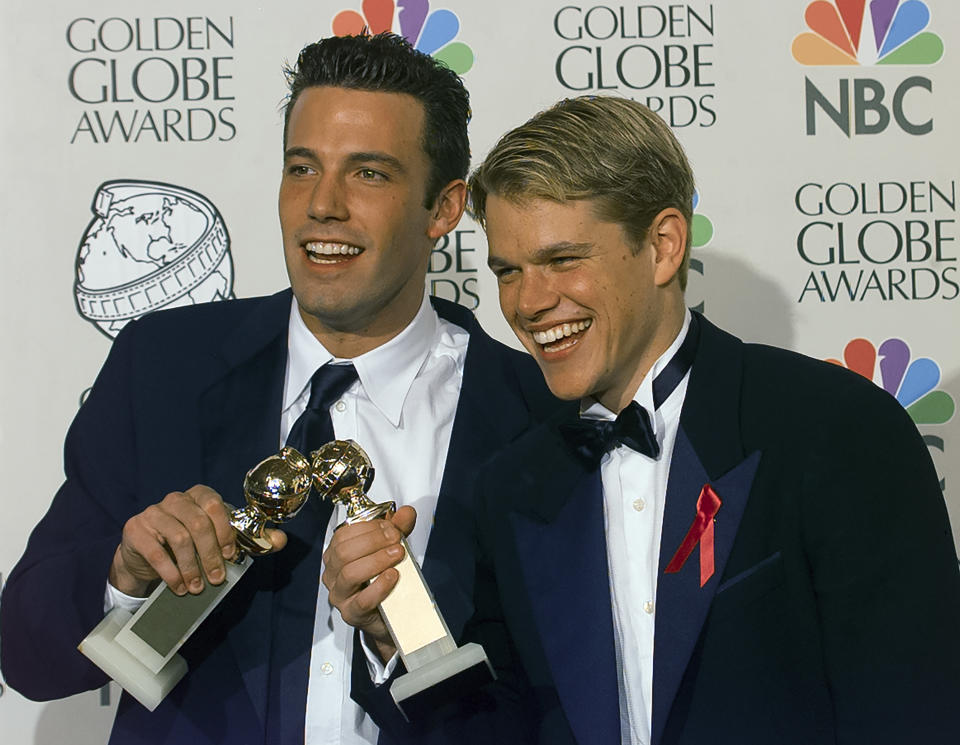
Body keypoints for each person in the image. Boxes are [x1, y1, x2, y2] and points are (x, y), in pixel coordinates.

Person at [0, 34, 561, 745]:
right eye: (303, 167)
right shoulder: (163, 367)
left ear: (444, 209)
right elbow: (26, 654)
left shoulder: (537, 417)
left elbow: (565, 713)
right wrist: (124, 574)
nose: (323, 204)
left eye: (369, 174)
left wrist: (405, 646)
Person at [440, 95, 960, 744]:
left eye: (562, 260)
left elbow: (913, 714)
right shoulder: (512, 486)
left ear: (662, 246)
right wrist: (396, 634)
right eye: (508, 271)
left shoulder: (838, 431)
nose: (529, 301)